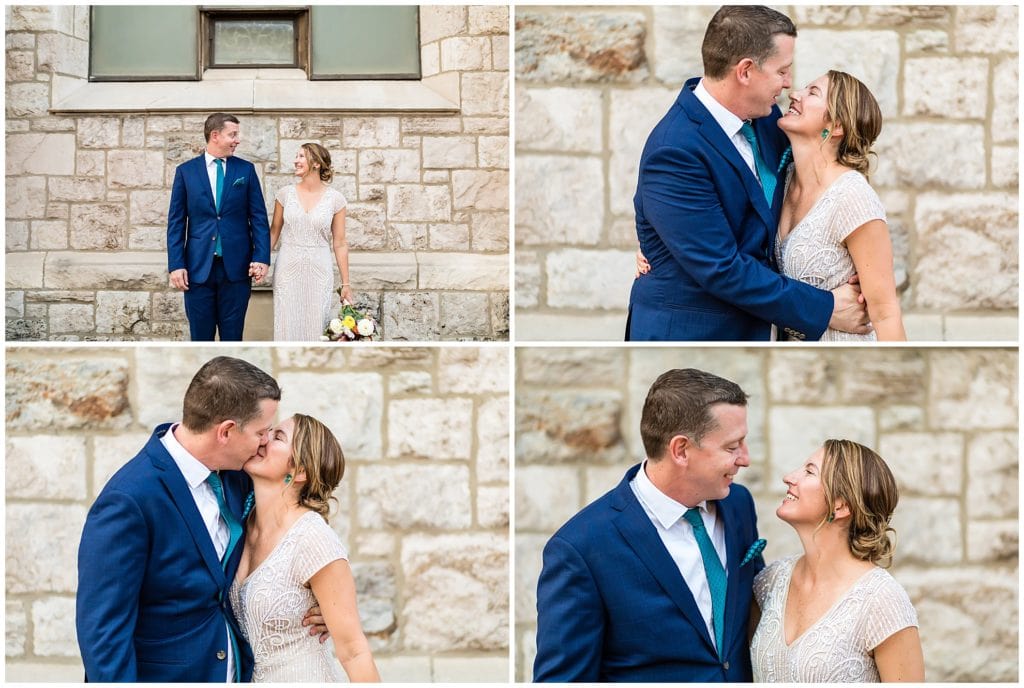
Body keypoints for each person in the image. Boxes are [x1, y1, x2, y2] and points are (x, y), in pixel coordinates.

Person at [625, 6, 869, 341]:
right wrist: (824, 307)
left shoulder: (768, 120)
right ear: (745, 72)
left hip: (755, 328)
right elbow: (721, 268)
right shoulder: (675, 151)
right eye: (782, 71)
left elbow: (821, 162)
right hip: (693, 336)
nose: (788, 85)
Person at [76, 356, 325, 681]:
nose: (265, 441)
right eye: (261, 432)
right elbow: (103, 633)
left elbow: (293, 515)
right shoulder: (129, 501)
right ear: (226, 432)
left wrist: (320, 598)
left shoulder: (240, 475)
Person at [534, 369, 764, 681]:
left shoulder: (738, 506)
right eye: (732, 446)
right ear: (681, 450)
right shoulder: (581, 549)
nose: (745, 459)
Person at [751, 440, 924, 681]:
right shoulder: (770, 581)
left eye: (809, 471)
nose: (789, 477)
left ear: (841, 505)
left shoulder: (882, 600)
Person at [231, 413, 380, 682]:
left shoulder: (312, 538)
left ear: (300, 471)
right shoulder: (239, 520)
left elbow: (354, 651)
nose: (263, 439)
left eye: (278, 437)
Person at [167, 113, 271, 341]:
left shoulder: (245, 170)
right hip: (197, 269)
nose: (237, 140)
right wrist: (176, 264)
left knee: (233, 337)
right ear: (215, 135)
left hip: (236, 270)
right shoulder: (186, 172)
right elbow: (176, 222)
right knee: (200, 339)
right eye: (232, 134)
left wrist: (262, 257)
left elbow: (259, 218)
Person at [270, 143, 351, 341]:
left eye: (301, 157)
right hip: (287, 268)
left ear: (315, 163)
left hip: (319, 270)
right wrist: (260, 262)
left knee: (317, 324)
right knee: (285, 323)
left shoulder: (336, 200)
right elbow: (273, 232)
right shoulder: (285, 195)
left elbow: (340, 243)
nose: (295, 161)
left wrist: (346, 283)